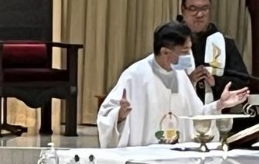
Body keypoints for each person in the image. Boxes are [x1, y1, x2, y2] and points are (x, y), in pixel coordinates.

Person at [98, 22, 249, 148]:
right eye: (185, 51)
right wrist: (119, 114)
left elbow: (196, 115)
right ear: (165, 52)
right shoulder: (134, 75)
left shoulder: (180, 75)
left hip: (174, 156)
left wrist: (219, 104)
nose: (189, 56)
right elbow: (105, 116)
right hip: (142, 156)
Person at [178, 0, 250, 104]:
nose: (199, 14)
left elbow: (243, 82)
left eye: (204, 8)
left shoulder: (224, 44)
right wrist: (188, 81)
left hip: (216, 110)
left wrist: (216, 81)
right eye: (193, 9)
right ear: (183, 10)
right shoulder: (172, 43)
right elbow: (162, 81)